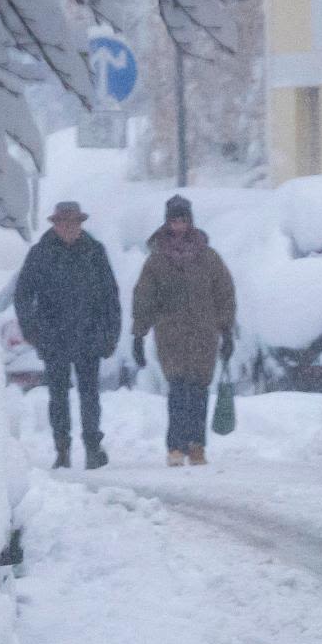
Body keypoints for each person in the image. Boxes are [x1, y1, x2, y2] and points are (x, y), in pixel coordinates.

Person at [129, 194, 240, 468]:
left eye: (183, 219)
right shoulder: (156, 261)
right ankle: (176, 446)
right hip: (171, 335)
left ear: (190, 221)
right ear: (167, 223)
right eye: (174, 220)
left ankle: (197, 445)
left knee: (199, 390)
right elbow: (144, 297)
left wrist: (226, 329)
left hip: (204, 334)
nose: (178, 225)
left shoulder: (209, 258)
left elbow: (224, 293)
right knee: (178, 389)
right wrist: (139, 333)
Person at [10, 201, 120, 470]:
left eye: (74, 223)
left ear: (80, 224)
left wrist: (110, 333)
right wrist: (34, 331)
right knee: (58, 397)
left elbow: (110, 297)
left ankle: (93, 447)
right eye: (65, 223)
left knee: (89, 395)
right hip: (54, 338)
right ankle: (63, 449)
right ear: (56, 225)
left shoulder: (95, 252)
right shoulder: (41, 254)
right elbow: (23, 295)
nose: (69, 228)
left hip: (89, 336)